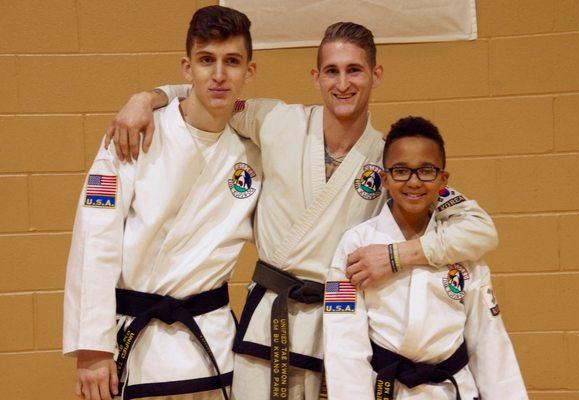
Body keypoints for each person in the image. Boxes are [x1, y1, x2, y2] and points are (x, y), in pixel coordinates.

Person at [105, 22, 498, 400]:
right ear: (316, 77)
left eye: (354, 71)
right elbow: (210, 91)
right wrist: (148, 97)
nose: (342, 83)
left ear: (375, 75)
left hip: (342, 324)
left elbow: (480, 230)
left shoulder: (390, 158)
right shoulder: (276, 119)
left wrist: (397, 256)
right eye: (332, 71)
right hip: (269, 320)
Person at [63, 6, 260, 400]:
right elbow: (94, 241)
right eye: (207, 61)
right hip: (137, 345)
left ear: (249, 71)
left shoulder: (255, 150)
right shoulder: (132, 135)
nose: (219, 75)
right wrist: (92, 349)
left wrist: (149, 93)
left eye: (232, 62)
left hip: (212, 346)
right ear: (187, 68)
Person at [323, 117, 527, 400]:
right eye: (401, 171)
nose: (414, 182)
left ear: (443, 180)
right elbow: (344, 344)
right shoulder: (356, 244)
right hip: (385, 389)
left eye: (426, 171)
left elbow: (489, 341)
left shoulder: (459, 246)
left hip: (452, 390)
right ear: (384, 179)